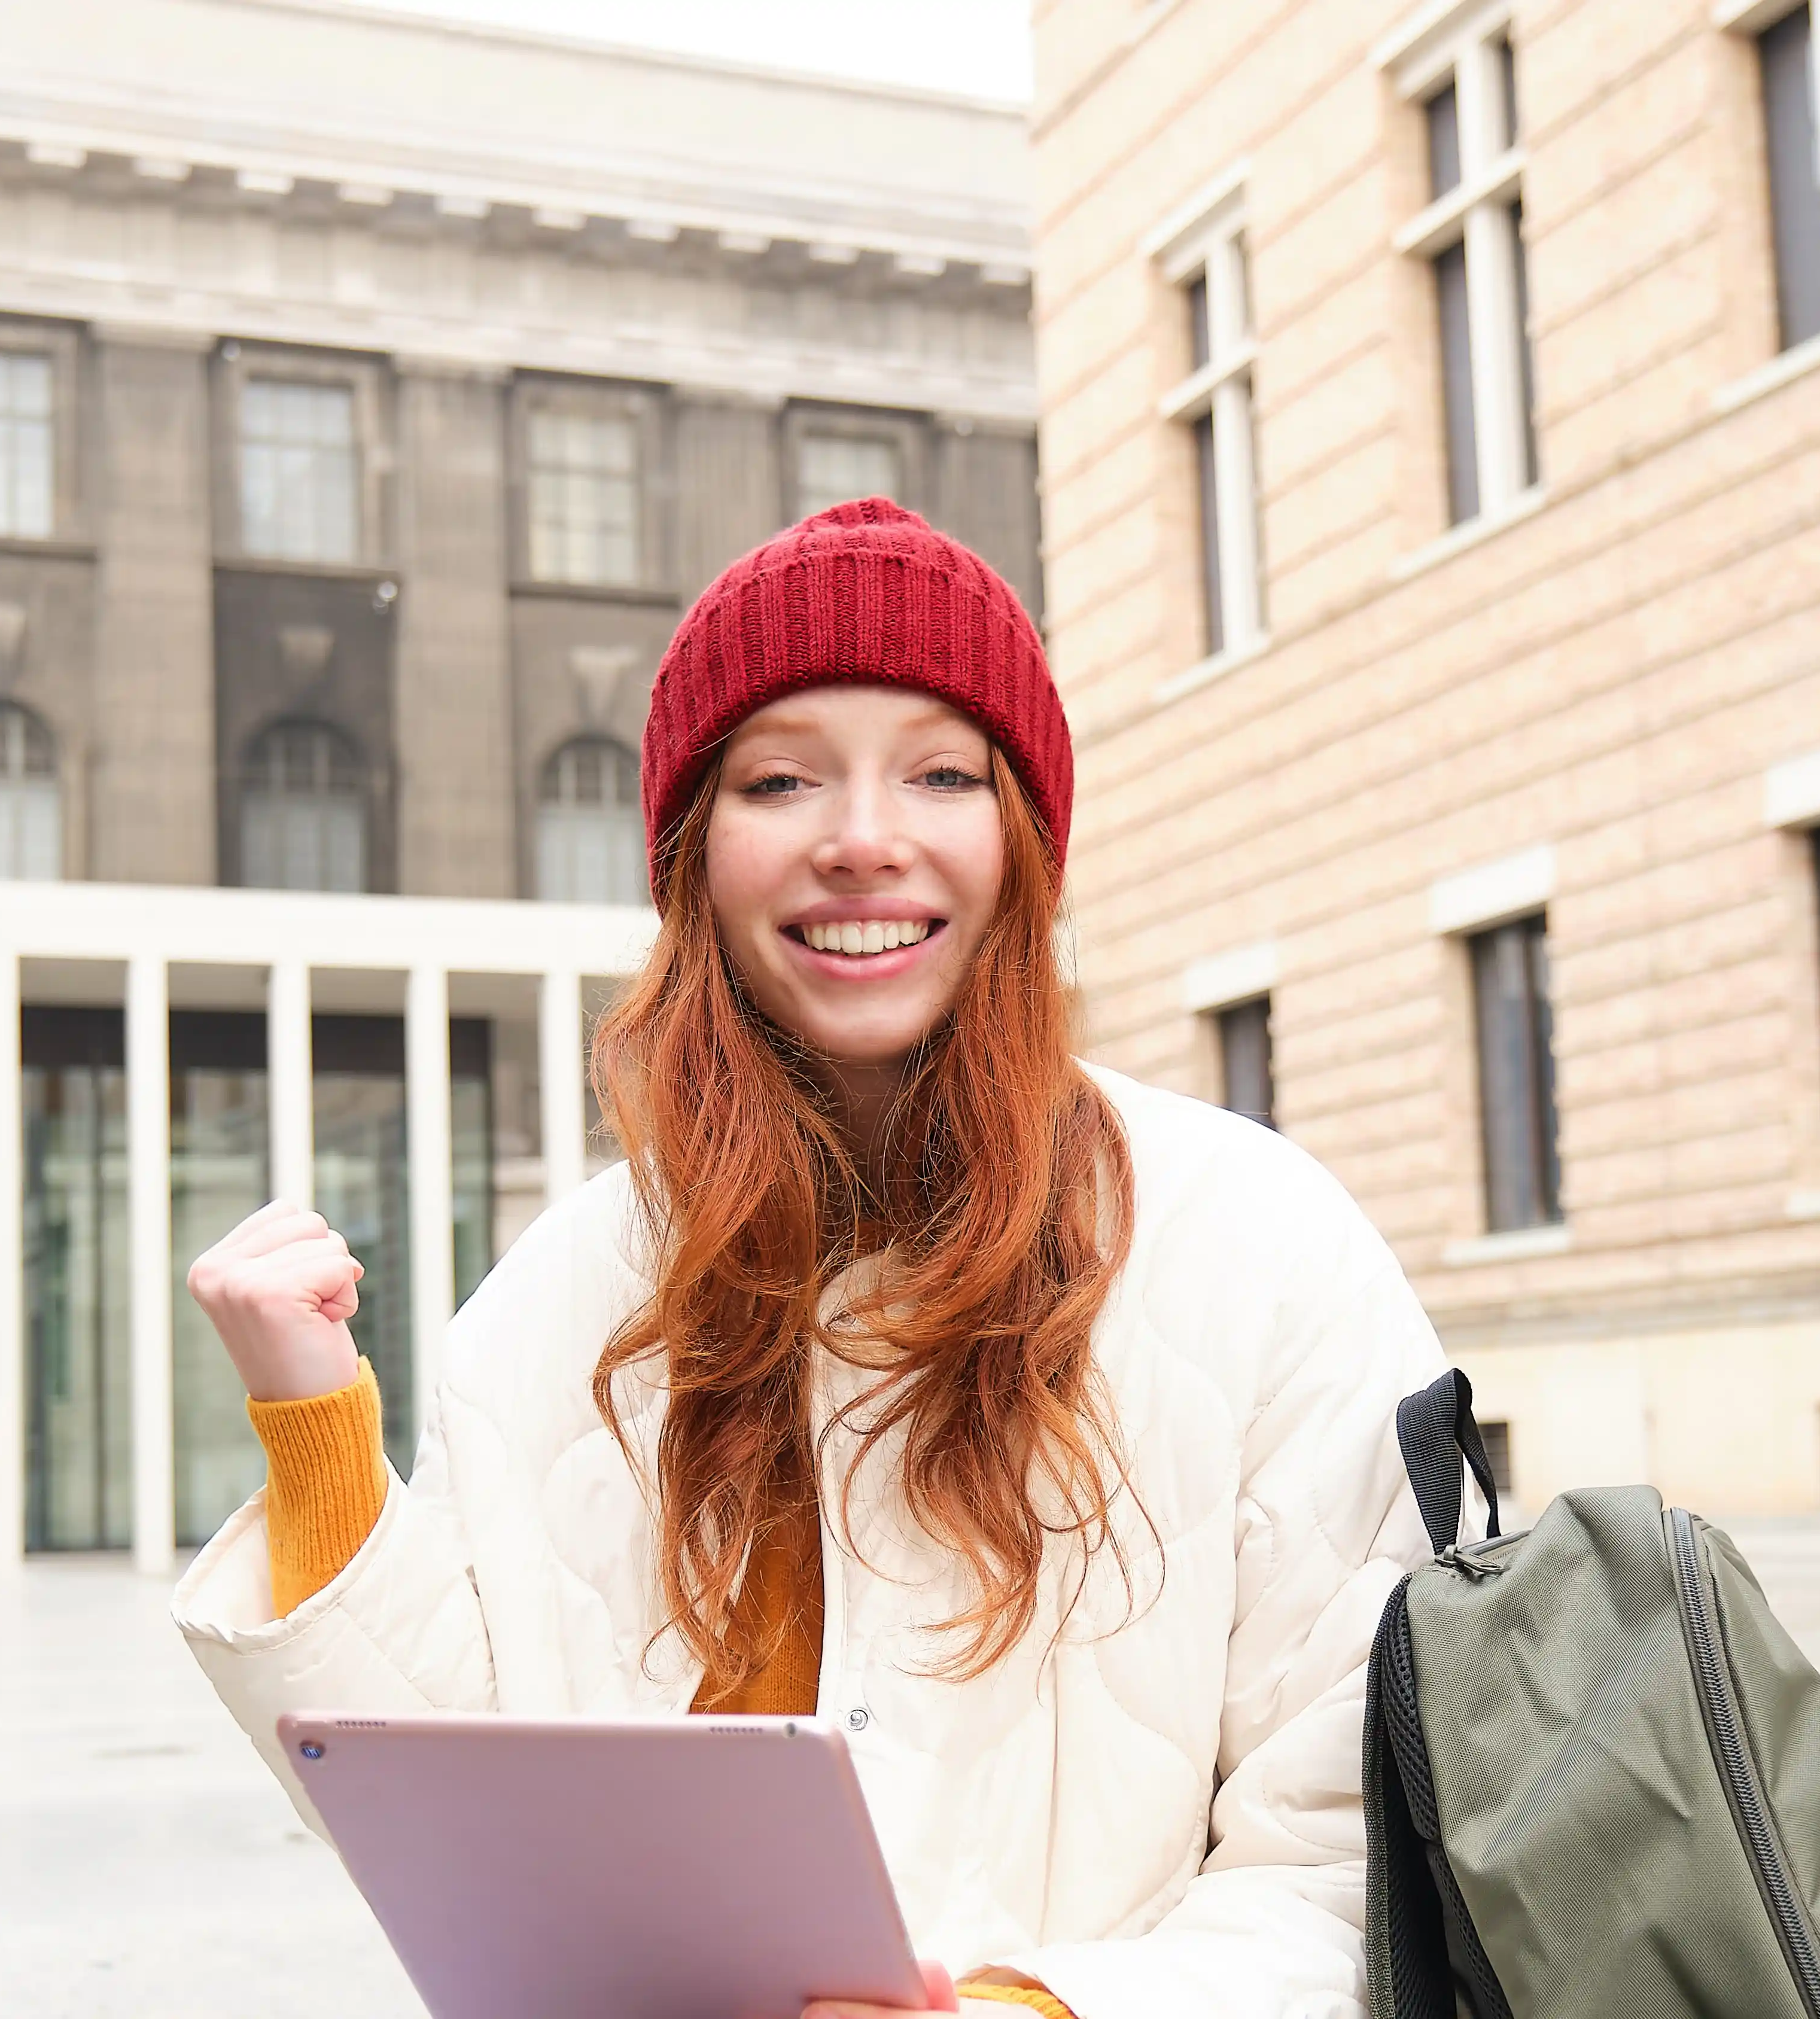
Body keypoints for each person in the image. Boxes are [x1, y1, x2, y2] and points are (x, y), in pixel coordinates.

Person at [176, 499, 1450, 2019]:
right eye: (781, 778)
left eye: (940, 772)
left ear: (1022, 843)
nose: (862, 839)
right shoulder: (563, 1294)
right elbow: (464, 1826)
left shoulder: (1258, 1245)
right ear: (692, 854)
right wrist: (319, 1439)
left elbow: (1349, 1868)